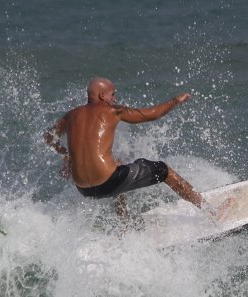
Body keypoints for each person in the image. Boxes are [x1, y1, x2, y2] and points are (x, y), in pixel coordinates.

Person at [44, 77, 203, 213]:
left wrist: (66, 155)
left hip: (84, 189)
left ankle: (124, 226)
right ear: (102, 95)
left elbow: (48, 137)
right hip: (109, 182)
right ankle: (209, 210)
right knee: (164, 170)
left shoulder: (70, 116)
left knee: (118, 166)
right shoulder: (113, 110)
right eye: (112, 95)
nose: (114, 99)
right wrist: (176, 100)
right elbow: (150, 115)